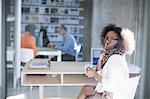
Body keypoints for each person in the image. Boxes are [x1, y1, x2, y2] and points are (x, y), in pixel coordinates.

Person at [77, 24, 135, 99]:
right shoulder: (112, 56)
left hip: (110, 95)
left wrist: (94, 74)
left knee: (87, 92)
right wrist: (100, 59)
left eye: (112, 39)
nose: (107, 41)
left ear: (120, 42)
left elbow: (109, 85)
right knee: (86, 89)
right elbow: (100, 75)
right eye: (107, 38)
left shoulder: (115, 59)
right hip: (108, 92)